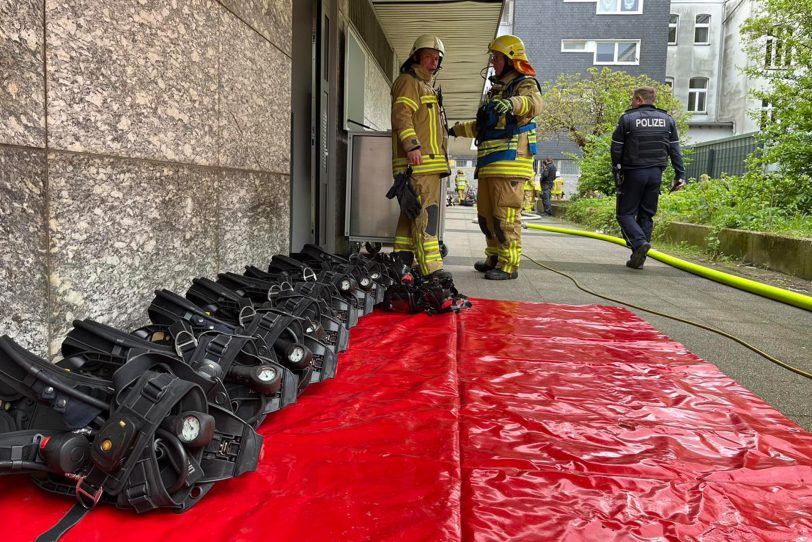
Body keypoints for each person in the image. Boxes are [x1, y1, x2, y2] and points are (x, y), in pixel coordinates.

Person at [449, 35, 543, 280]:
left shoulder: (524, 84)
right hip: (490, 165)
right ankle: (493, 257)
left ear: (511, 59)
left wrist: (512, 103)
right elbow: (483, 128)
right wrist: (454, 130)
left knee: (505, 217)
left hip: (510, 163)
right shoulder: (496, 92)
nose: (493, 62)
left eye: (497, 57)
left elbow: (534, 104)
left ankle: (509, 264)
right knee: (486, 216)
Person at [390, 34, 451, 279]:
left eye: (437, 58)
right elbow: (401, 115)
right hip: (419, 165)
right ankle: (432, 272)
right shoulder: (409, 81)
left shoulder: (427, 88)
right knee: (428, 216)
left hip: (427, 166)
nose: (433, 62)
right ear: (416, 56)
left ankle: (402, 262)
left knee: (411, 216)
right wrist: (412, 146)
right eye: (428, 56)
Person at [610, 86, 685, 269]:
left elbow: (616, 148)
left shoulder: (627, 119)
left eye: (632, 99)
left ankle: (639, 243)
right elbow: (675, 149)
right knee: (646, 214)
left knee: (624, 213)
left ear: (639, 100)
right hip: (656, 174)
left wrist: (617, 171)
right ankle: (638, 258)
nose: (631, 102)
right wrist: (680, 174)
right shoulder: (667, 120)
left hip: (633, 172)